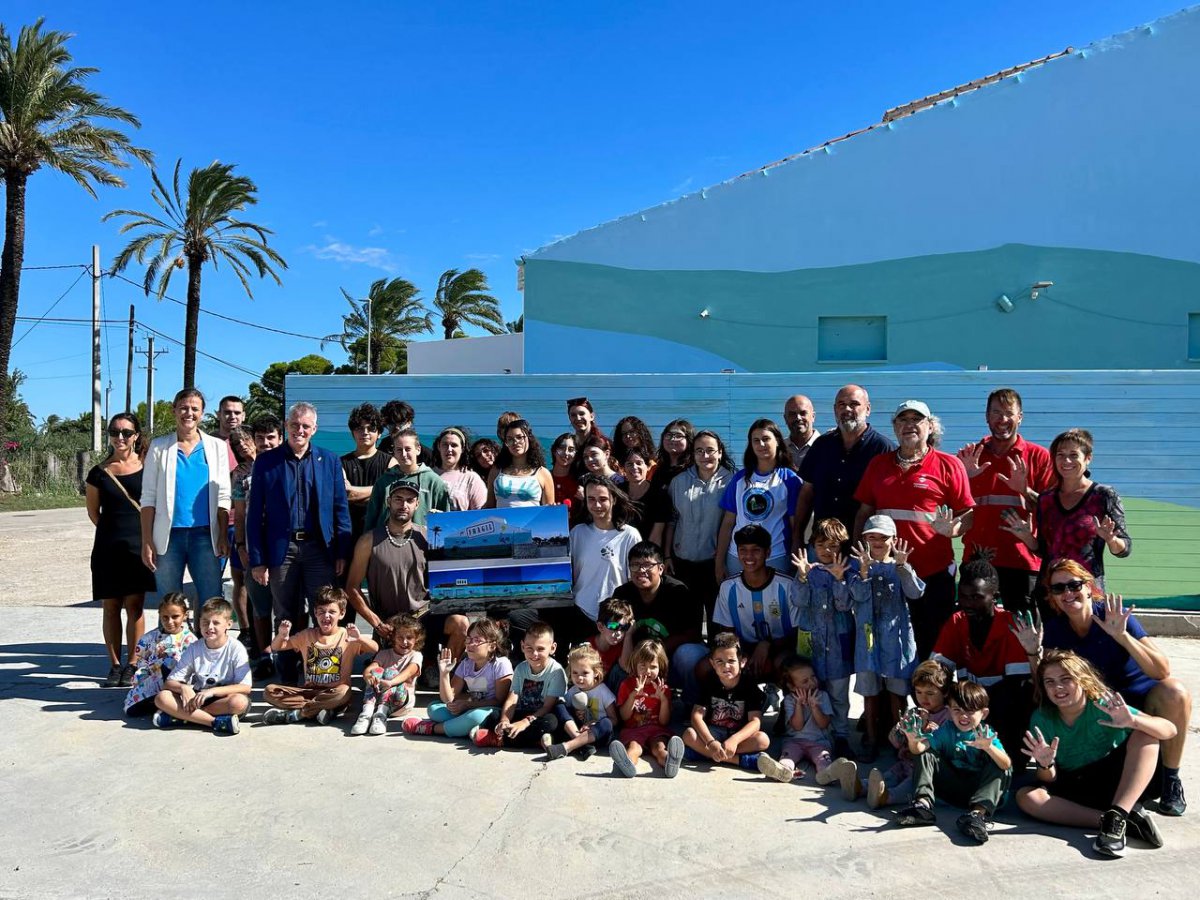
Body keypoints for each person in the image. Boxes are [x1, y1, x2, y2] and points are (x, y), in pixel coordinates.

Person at [1019, 558, 1191, 816]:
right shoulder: (1055, 630)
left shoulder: (1113, 616)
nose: (1067, 593)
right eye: (1058, 589)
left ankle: (1170, 779)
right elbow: (1045, 683)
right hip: (1097, 701)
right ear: (1052, 597)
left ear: (1089, 587)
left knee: (1174, 692)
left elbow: (1161, 670)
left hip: (1136, 695)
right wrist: (1033, 653)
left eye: (1074, 585)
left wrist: (1122, 636)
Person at [1017, 650, 1174, 858]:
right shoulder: (1042, 717)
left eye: (1066, 679)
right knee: (1026, 797)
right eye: (1050, 682)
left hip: (1121, 779)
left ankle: (1119, 813)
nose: (1058, 687)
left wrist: (1133, 721)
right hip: (1079, 784)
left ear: (1083, 680)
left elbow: (1170, 729)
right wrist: (1045, 764)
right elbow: (1049, 779)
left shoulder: (1104, 704)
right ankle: (1111, 820)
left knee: (1146, 736)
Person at [854, 400, 974, 660]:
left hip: (932, 574)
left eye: (916, 420)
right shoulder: (878, 465)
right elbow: (864, 512)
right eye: (903, 420)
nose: (909, 425)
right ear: (895, 427)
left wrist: (953, 529)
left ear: (930, 426)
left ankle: (931, 701)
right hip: (886, 574)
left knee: (934, 648)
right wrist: (859, 554)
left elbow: (968, 515)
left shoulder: (949, 465)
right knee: (890, 650)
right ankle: (901, 702)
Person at [245, 401, 353, 686]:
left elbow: (341, 507)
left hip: (320, 549)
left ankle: (320, 674)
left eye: (305, 426)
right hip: (283, 551)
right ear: (286, 426)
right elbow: (255, 514)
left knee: (324, 611)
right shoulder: (267, 462)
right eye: (294, 425)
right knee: (286, 613)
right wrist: (258, 560)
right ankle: (289, 674)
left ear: (314, 429)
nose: (299, 430)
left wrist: (342, 552)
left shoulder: (329, 460)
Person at [344, 480, 469, 671]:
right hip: (390, 624)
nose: (404, 505)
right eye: (398, 499)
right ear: (388, 502)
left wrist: (445, 530)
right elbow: (352, 588)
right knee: (389, 677)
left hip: (423, 617)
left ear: (417, 504)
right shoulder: (368, 540)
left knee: (460, 623)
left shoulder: (427, 536)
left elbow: (455, 568)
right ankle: (413, 663)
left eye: (410, 500)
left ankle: (443, 674)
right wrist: (377, 624)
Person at [956, 389, 1055, 613]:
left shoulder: (1038, 456)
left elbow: (1051, 511)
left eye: (1009, 413)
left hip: (1022, 561)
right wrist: (966, 479)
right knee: (976, 629)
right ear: (986, 417)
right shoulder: (969, 456)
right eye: (996, 413)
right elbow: (953, 511)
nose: (1002, 419)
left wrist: (1024, 490)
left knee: (1024, 632)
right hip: (977, 560)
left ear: (1020, 417)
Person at [140, 389, 231, 624]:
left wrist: (222, 534)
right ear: (174, 410)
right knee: (171, 602)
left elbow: (223, 494)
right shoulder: (159, 448)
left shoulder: (216, 447)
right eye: (183, 408)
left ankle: (210, 652)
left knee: (212, 600)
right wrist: (147, 540)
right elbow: (148, 498)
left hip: (205, 536)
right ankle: (175, 654)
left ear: (202, 413)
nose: (188, 413)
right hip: (169, 538)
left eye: (194, 409)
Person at [1003, 428, 1132, 592]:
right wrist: (1027, 538)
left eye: (1073, 455)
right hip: (1051, 593)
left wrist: (1111, 540)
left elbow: (1125, 549)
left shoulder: (1104, 496)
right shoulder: (1046, 499)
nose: (1066, 461)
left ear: (1088, 458)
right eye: (1060, 455)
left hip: (1087, 593)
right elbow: (1045, 551)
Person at [930, 559, 1033, 760]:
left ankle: (1008, 759)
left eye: (976, 597)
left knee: (1009, 704)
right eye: (964, 597)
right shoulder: (956, 621)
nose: (967, 603)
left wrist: (972, 706)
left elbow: (1017, 686)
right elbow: (937, 669)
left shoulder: (1010, 623)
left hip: (1001, 706)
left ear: (995, 597)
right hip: (969, 704)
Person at [894, 681, 1012, 844]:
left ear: (983, 714)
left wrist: (989, 747)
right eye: (957, 710)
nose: (963, 716)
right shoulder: (947, 729)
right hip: (953, 788)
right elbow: (920, 749)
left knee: (1000, 765)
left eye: (970, 711)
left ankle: (976, 816)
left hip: (980, 791)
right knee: (925, 753)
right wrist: (913, 740)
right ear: (949, 711)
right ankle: (922, 806)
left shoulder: (985, 734)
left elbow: (1006, 765)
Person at [86, 411, 156, 687]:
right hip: (108, 547)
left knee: (135, 606)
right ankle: (115, 665)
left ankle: (133, 663)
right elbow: (94, 513)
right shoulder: (99, 473)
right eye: (115, 432)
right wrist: (112, 532)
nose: (120, 437)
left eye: (126, 432)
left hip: (139, 547)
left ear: (136, 436)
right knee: (111, 606)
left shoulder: (150, 467)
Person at [848, 515, 923, 761]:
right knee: (869, 692)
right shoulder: (856, 566)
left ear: (894, 540)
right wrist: (863, 571)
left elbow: (915, 593)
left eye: (883, 537)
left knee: (897, 692)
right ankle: (870, 737)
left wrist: (902, 567)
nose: (878, 542)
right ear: (864, 539)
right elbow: (853, 598)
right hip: (867, 641)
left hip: (896, 640)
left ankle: (900, 740)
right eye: (872, 537)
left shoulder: (900, 566)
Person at [794, 384, 895, 545]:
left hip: (863, 550)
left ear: (868, 409)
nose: (847, 409)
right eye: (842, 404)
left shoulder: (883, 449)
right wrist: (797, 537)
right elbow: (806, 494)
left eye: (854, 404)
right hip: (822, 547)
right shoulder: (821, 445)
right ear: (835, 410)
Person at [262, 587, 379, 726]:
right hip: (308, 691)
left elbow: (375, 648)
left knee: (344, 692)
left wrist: (360, 639)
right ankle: (322, 710)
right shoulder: (307, 635)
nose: (326, 616)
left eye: (332, 612)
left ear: (342, 614)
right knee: (269, 691)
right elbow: (276, 647)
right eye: (321, 612)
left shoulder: (346, 636)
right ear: (315, 614)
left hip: (334, 691)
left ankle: (298, 713)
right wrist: (281, 636)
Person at [613, 541, 707, 702]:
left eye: (648, 565)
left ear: (661, 568)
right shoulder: (622, 594)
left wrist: (657, 651)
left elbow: (693, 635)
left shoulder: (680, 593)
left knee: (690, 655)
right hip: (637, 662)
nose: (641, 571)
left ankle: (693, 705)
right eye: (635, 565)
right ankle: (618, 709)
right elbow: (613, 630)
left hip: (672, 662)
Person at [790, 519, 853, 754]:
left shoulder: (847, 569)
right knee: (809, 688)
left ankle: (841, 735)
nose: (827, 550)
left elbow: (845, 604)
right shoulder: (806, 569)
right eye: (821, 544)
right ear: (812, 545)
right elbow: (798, 600)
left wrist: (839, 579)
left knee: (838, 694)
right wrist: (803, 577)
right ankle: (810, 735)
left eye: (834, 546)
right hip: (811, 642)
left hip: (838, 643)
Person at [714, 524, 800, 687]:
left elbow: (797, 633)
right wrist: (741, 656)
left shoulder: (787, 586)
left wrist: (767, 645)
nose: (749, 556)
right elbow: (727, 634)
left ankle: (788, 707)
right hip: (742, 649)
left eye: (756, 550)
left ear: (767, 552)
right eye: (743, 550)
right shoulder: (728, 587)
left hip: (780, 649)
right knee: (704, 668)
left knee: (789, 665)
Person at [664, 429, 732, 633]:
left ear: (720, 452)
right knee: (687, 623)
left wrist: (721, 561)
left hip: (715, 564)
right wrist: (667, 555)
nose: (705, 456)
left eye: (710, 450)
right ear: (693, 454)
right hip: (683, 564)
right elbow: (672, 520)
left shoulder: (732, 482)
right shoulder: (679, 482)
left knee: (716, 622)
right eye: (699, 451)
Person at [716, 418, 801, 580]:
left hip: (776, 556)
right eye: (756, 440)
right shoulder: (739, 479)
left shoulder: (790, 479)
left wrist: (796, 553)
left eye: (766, 439)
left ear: (777, 441)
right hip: (738, 557)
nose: (761, 444)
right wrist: (719, 562)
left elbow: (795, 524)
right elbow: (728, 523)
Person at [403, 618, 514, 740]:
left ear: (492, 646)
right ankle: (467, 727)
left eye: (477, 640)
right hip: (470, 708)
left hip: (491, 711)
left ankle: (432, 728)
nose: (470, 644)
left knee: (474, 717)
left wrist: (468, 705)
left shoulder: (501, 664)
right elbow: (448, 698)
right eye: (469, 639)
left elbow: (499, 701)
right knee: (434, 709)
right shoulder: (466, 664)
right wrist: (444, 673)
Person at [152, 597, 250, 735]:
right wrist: (183, 687)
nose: (209, 627)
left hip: (223, 698)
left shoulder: (236, 648)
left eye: (216, 623)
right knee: (162, 698)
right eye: (205, 622)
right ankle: (215, 722)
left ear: (229, 624)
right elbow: (169, 683)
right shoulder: (194, 648)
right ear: (199, 623)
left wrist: (212, 692)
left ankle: (183, 717)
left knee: (240, 702)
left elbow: (245, 687)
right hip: (197, 699)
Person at [864, 659, 954, 809]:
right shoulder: (914, 713)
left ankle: (886, 797)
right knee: (889, 776)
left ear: (945, 692)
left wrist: (934, 733)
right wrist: (901, 729)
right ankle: (861, 786)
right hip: (905, 763)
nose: (923, 698)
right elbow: (895, 741)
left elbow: (949, 748)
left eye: (930, 693)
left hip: (925, 771)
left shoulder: (948, 717)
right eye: (919, 692)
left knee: (910, 784)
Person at [681, 632, 769, 769]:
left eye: (731, 661)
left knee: (762, 740)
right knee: (688, 734)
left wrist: (734, 740)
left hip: (738, 734)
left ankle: (701, 754)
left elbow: (755, 722)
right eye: (719, 661)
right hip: (713, 732)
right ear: (712, 663)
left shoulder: (749, 685)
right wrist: (710, 742)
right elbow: (696, 716)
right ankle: (742, 761)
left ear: (742, 662)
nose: (726, 666)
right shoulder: (709, 682)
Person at [474, 621, 567, 749]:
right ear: (522, 646)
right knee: (495, 716)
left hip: (541, 715)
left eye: (540, 649)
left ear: (552, 648)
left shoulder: (556, 671)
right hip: (522, 711)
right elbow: (512, 698)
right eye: (529, 648)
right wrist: (504, 721)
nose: (534, 654)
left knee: (551, 722)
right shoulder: (520, 668)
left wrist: (524, 723)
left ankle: (500, 739)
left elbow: (547, 706)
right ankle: (536, 740)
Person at [568, 475, 642, 632]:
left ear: (613, 499)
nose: (597, 505)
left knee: (612, 656)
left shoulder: (630, 535)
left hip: (614, 618)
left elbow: (634, 579)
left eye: (602, 499)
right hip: (581, 612)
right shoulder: (577, 533)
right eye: (591, 499)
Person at [608, 639, 686, 779]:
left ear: (660, 667)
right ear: (635, 665)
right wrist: (633, 696)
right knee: (634, 748)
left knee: (660, 747)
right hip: (634, 730)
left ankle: (670, 761)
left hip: (656, 729)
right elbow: (624, 717)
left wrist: (663, 699)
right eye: (643, 666)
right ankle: (628, 764)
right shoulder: (627, 685)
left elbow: (664, 721)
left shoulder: (663, 689)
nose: (648, 671)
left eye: (653, 667)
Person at [755, 656, 836, 785]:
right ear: (792, 687)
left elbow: (823, 724)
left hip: (819, 741)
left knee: (822, 758)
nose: (811, 683)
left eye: (813, 677)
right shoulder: (790, 700)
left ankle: (826, 774)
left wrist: (815, 707)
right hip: (794, 741)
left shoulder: (823, 696)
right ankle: (783, 771)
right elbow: (797, 726)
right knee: (788, 756)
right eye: (805, 681)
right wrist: (799, 705)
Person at [123, 593, 196, 717]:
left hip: (179, 685)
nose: (169, 621)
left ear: (185, 615)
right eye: (165, 617)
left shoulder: (190, 640)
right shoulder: (149, 638)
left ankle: (171, 707)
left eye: (175, 617)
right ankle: (164, 707)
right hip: (152, 682)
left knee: (171, 661)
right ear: (160, 616)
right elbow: (141, 661)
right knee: (132, 710)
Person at [364, 427, 452, 528]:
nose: (404, 454)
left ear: (418, 449)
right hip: (386, 541)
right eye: (399, 450)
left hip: (421, 542)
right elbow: (371, 518)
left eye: (408, 449)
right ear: (394, 452)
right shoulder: (384, 481)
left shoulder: (434, 482)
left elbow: (445, 522)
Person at [352, 613, 425, 736]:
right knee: (376, 671)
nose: (405, 641)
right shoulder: (384, 654)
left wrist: (390, 682)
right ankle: (366, 714)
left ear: (416, 638)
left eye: (409, 637)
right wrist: (368, 676)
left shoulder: (416, 655)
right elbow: (371, 668)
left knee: (390, 672)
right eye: (400, 637)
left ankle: (381, 715)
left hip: (400, 701)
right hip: (377, 700)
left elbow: (409, 672)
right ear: (393, 638)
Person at [545, 644, 618, 760]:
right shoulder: (573, 691)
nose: (579, 678)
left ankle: (568, 747)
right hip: (577, 730)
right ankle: (581, 745)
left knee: (607, 723)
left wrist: (594, 723)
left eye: (585, 673)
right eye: (575, 673)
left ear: (596, 673)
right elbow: (564, 713)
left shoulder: (603, 691)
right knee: (559, 705)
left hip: (596, 735)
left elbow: (614, 719)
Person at [226, 425, 258, 653]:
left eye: (245, 439)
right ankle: (247, 630)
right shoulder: (239, 473)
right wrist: (239, 543)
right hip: (244, 534)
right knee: (242, 581)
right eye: (237, 443)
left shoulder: (274, 463)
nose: (243, 445)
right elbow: (238, 511)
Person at [340, 402, 390, 542]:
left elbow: (391, 494)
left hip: (381, 533)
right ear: (352, 432)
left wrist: (356, 494)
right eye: (359, 428)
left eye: (371, 428)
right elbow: (346, 493)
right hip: (348, 533)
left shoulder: (391, 462)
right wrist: (380, 491)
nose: (365, 432)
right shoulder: (339, 463)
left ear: (379, 433)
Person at [485, 418, 555, 508]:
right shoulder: (496, 471)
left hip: (532, 522)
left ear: (529, 438)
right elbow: (489, 507)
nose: (515, 442)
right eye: (510, 439)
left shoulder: (543, 473)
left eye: (519, 437)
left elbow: (549, 513)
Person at [431, 426, 487, 511]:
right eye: (445, 445)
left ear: (462, 449)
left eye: (454, 445)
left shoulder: (471, 478)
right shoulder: (428, 475)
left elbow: (481, 514)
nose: (449, 449)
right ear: (439, 447)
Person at [589, 597, 635, 692]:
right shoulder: (587, 647)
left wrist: (628, 635)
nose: (618, 633)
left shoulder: (622, 644)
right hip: (590, 688)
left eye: (624, 627)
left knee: (621, 672)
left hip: (610, 690)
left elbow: (626, 668)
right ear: (600, 626)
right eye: (613, 626)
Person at [619, 446, 659, 541]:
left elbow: (657, 534)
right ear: (624, 468)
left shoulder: (658, 494)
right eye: (629, 464)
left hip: (646, 550)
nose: (634, 467)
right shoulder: (618, 491)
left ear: (648, 466)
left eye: (639, 463)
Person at [782, 394, 818, 471]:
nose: (798, 418)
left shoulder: (826, 446)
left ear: (813, 416)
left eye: (803, 413)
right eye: (792, 414)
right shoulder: (779, 448)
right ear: (785, 418)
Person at [549, 432, 579, 508]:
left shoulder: (579, 481)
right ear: (554, 451)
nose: (566, 453)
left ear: (576, 455)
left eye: (571, 449)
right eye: (562, 448)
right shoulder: (544, 477)